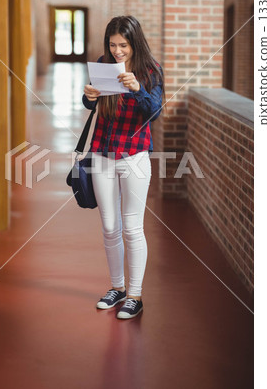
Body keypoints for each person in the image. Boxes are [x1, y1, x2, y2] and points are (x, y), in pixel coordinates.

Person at [82, 16, 165, 319]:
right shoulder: (103, 65)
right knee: (109, 226)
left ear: (135, 43)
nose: (117, 51)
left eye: (123, 46)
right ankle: (117, 288)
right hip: (102, 153)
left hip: (134, 155)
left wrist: (137, 89)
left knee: (132, 227)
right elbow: (92, 105)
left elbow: (154, 112)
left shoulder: (150, 70)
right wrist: (88, 97)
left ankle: (135, 295)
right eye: (113, 45)